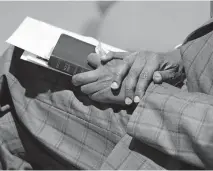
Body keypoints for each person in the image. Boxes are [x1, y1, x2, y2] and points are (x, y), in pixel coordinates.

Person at [1, 15, 213, 171]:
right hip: (171, 95)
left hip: (175, 132)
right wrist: (177, 59)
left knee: (17, 66)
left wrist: (149, 95)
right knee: (7, 130)